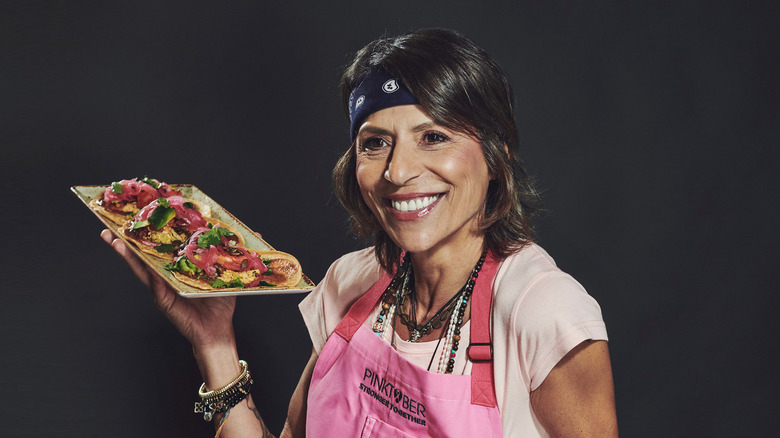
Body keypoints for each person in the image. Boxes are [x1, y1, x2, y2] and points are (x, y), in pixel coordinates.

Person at [102, 28, 617, 437]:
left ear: (496, 157)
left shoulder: (542, 310)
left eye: (433, 137)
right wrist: (213, 344)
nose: (397, 171)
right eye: (375, 143)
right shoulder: (350, 284)